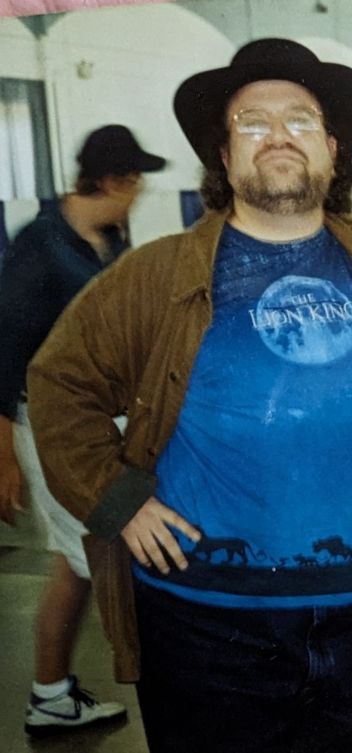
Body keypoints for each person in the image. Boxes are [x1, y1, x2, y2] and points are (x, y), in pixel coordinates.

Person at [25, 39, 352, 753]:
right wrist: (117, 496)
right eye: (253, 123)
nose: (279, 135)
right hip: (202, 622)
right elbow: (58, 381)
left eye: (299, 119)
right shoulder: (155, 275)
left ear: (331, 151)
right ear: (224, 156)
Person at [0, 124, 165, 737]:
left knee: (77, 561)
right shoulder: (41, 243)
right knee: (93, 559)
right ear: (114, 180)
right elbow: (7, 345)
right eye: (136, 183)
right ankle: (53, 695)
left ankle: (52, 693)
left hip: (101, 420)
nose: (138, 194)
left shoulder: (108, 238)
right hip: (48, 424)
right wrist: (5, 455)